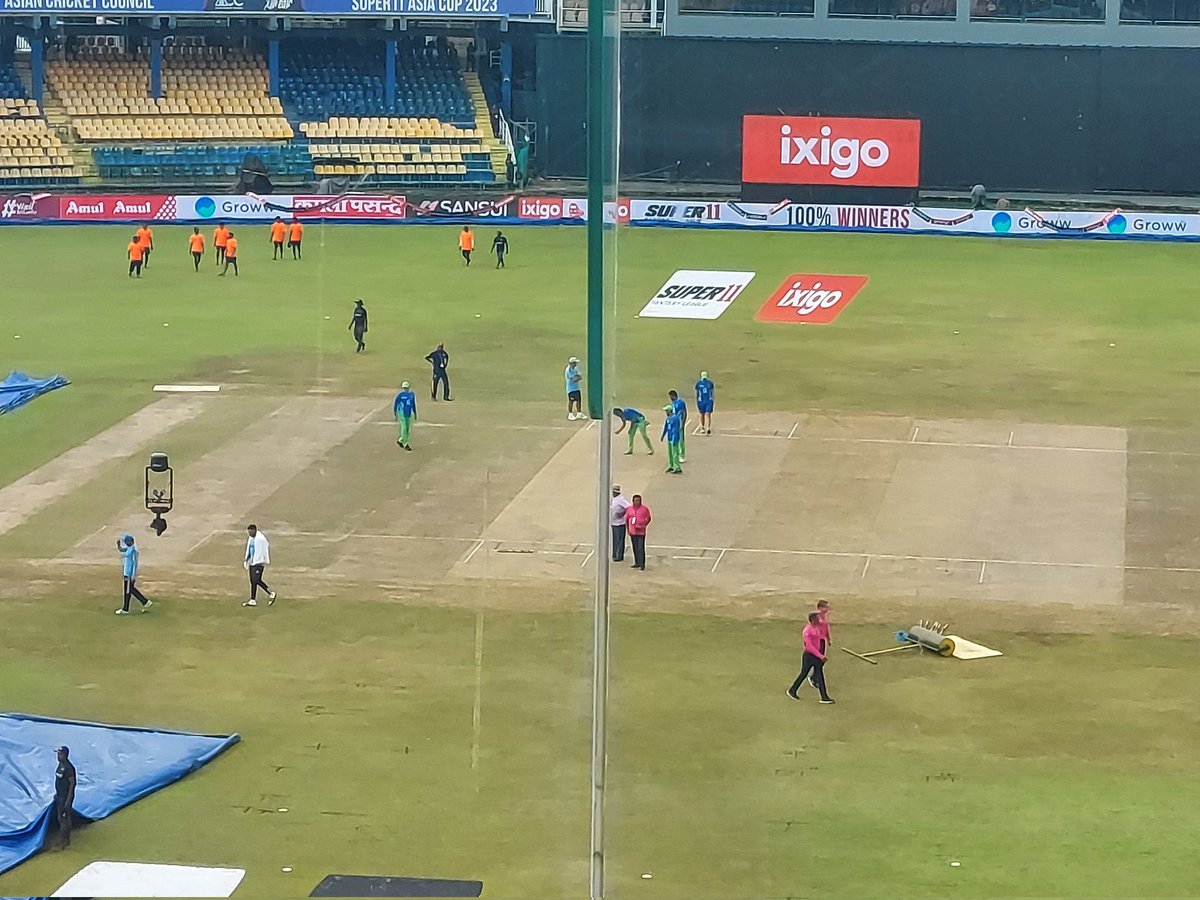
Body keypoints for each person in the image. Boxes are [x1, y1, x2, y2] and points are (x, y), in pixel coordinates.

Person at [787, 612, 835, 704]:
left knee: (819, 675)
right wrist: (820, 656)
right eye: (817, 618)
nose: (819, 620)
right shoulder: (807, 630)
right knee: (804, 673)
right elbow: (809, 646)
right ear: (813, 620)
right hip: (809, 655)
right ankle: (792, 690)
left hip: (815, 655)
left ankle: (824, 697)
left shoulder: (816, 628)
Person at [115, 533, 152, 615]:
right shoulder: (130, 548)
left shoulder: (132, 550)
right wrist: (119, 546)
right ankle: (140, 603)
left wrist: (132, 575)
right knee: (129, 590)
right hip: (127, 573)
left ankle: (144, 602)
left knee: (129, 590)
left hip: (129, 574)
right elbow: (122, 550)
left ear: (129, 542)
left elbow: (126, 556)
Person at [242, 524, 276, 607]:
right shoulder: (251, 538)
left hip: (258, 563)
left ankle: (271, 592)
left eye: (251, 531)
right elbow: (249, 549)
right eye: (248, 532)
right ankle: (253, 599)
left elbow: (262, 550)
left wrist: (260, 560)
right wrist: (247, 559)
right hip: (252, 562)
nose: (249, 533)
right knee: (253, 581)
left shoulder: (260, 539)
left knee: (256, 580)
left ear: (255, 530)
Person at [54, 746, 76, 850]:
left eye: (60, 754)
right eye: (58, 754)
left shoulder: (69, 768)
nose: (58, 756)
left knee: (64, 818)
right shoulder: (60, 765)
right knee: (61, 818)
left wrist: (68, 800)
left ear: (65, 755)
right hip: (60, 795)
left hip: (65, 797)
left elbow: (72, 784)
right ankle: (64, 841)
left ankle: (64, 843)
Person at [810, 599, 832, 689]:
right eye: (825, 607)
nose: (828, 609)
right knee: (819, 660)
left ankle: (814, 677)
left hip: (822, 640)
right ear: (820, 608)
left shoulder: (824, 617)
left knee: (821, 660)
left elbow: (826, 629)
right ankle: (814, 678)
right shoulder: (817, 617)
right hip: (817, 640)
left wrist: (828, 638)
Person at [624, 494, 651, 570]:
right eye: (636, 500)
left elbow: (648, 518)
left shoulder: (645, 509)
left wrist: (644, 525)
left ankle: (642, 564)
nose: (637, 502)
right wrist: (628, 529)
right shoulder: (629, 509)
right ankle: (636, 562)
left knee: (640, 547)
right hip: (633, 531)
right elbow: (627, 520)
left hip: (641, 532)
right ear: (633, 501)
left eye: (639, 500)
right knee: (635, 547)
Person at [394, 380, 417, 450]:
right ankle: (405, 443)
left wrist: (415, 413)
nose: (405, 389)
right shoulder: (400, 395)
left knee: (407, 428)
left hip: (408, 413)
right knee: (404, 428)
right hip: (402, 413)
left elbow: (413, 404)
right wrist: (395, 413)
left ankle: (400, 440)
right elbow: (396, 404)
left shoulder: (411, 395)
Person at [610, 484, 631, 562]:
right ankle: (615, 554)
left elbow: (629, 507)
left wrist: (622, 513)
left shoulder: (621, 499)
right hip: (614, 523)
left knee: (619, 540)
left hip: (620, 523)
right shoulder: (614, 499)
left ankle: (619, 555)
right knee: (615, 539)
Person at [661, 404, 683, 474]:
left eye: (666, 411)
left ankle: (677, 467)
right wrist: (663, 435)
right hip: (669, 437)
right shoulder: (668, 418)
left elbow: (676, 430)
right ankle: (671, 465)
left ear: (669, 411)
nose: (665, 412)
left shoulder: (675, 418)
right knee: (670, 453)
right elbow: (666, 427)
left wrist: (674, 438)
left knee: (674, 453)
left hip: (674, 438)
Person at [668, 390, 688, 461]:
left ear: (674, 396)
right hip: (674, 422)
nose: (670, 398)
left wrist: (683, 423)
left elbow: (684, 413)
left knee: (681, 439)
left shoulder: (681, 403)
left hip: (679, 422)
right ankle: (676, 453)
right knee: (675, 438)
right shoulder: (673, 403)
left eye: (670, 396)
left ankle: (682, 455)